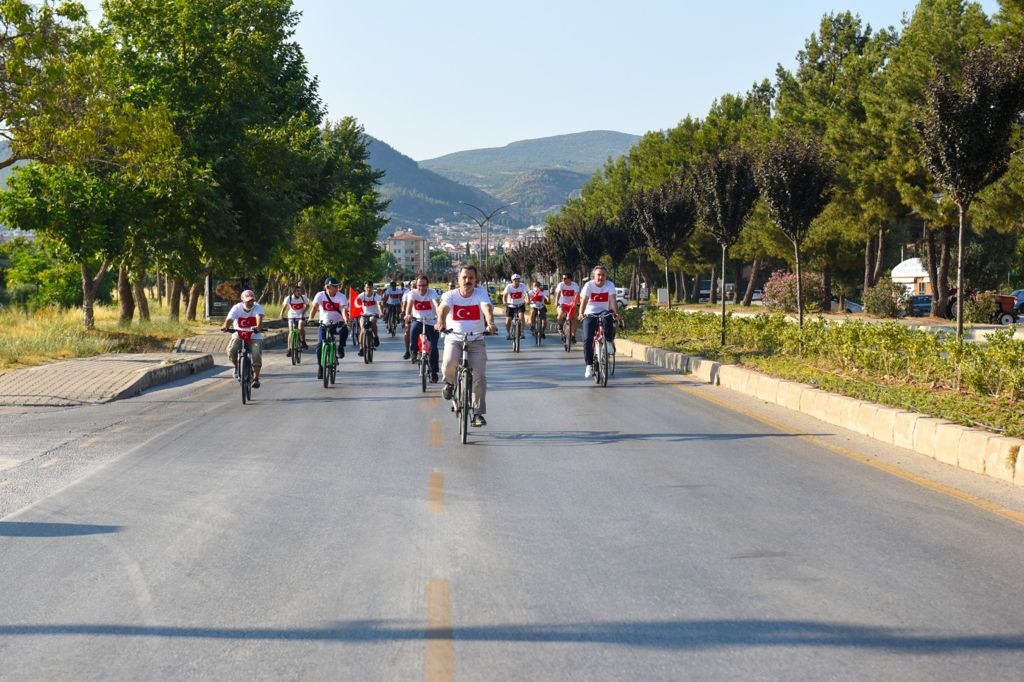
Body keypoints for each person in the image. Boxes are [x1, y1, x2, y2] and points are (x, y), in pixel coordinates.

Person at [436, 265, 497, 427]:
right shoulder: (450, 295)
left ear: (475, 280)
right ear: (458, 279)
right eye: (464, 277)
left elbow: (487, 308)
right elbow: (443, 309)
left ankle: (477, 414)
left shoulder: (481, 294)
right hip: (454, 339)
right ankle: (449, 383)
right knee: (449, 362)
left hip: (476, 340)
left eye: (471, 277)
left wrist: (490, 323)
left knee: (479, 377)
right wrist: (440, 322)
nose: (467, 280)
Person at [577, 265, 621, 378]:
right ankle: (589, 365)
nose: (601, 277)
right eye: (598, 275)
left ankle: (609, 342)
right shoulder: (588, 285)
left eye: (603, 275)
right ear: (594, 276)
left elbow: (612, 300)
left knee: (608, 317)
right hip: (589, 313)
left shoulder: (609, 285)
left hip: (603, 312)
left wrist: (617, 314)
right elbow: (584, 301)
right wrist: (581, 313)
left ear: (606, 276)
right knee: (587, 339)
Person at [222, 289, 265, 388]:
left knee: (256, 353)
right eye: (248, 300)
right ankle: (237, 366)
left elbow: (259, 318)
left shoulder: (257, 307)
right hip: (239, 334)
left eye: (252, 300)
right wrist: (226, 326)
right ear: (243, 300)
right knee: (232, 350)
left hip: (254, 336)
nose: (250, 302)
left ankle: (256, 379)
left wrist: (258, 327)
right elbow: (229, 319)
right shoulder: (236, 308)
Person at [308, 277, 350, 380]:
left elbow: (343, 310)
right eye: (335, 286)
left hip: (337, 324)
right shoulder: (320, 295)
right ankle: (321, 367)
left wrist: (346, 320)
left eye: (338, 286)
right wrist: (310, 318)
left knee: (344, 330)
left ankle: (340, 347)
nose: (337, 288)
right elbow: (314, 307)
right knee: (319, 345)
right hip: (324, 325)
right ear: (327, 287)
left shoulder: (341, 296)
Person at [406, 274, 441, 382]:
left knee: (433, 347)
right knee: (413, 330)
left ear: (428, 285)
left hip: (431, 322)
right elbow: (409, 305)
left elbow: (436, 305)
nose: (421, 288)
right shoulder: (412, 293)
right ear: (416, 285)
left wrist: (439, 318)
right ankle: (414, 352)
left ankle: (434, 372)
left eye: (424, 285)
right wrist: (407, 314)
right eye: (419, 285)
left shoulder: (432, 293)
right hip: (418, 320)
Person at [279, 285, 310, 356]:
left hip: (301, 315)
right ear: (293, 292)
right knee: (291, 331)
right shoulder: (288, 298)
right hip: (292, 315)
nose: (299, 292)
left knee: (301, 326)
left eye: (300, 291)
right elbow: (284, 307)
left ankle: (303, 342)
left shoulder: (303, 297)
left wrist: (303, 312)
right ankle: (289, 349)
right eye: (297, 291)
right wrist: (281, 315)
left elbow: (308, 306)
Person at [355, 280, 383, 356]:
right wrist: (357, 310)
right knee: (363, 330)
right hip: (364, 315)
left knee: (373, 320)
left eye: (370, 287)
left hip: (373, 314)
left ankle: (376, 337)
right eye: (367, 287)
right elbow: (356, 304)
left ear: (372, 288)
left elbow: (379, 304)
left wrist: (380, 312)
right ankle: (361, 348)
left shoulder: (376, 296)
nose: (369, 289)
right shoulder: (361, 296)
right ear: (364, 288)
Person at [554, 273, 579, 342]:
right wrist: (556, 302)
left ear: (569, 279)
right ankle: (560, 326)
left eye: (565, 278)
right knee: (560, 315)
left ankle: (573, 336)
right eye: (563, 278)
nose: (563, 280)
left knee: (573, 319)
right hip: (562, 303)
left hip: (571, 304)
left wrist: (577, 302)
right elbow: (558, 293)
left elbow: (576, 294)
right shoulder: (561, 284)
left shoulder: (574, 285)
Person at [503, 274, 528, 340]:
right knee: (508, 320)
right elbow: (505, 295)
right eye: (515, 280)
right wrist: (504, 301)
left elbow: (526, 293)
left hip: (520, 305)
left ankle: (522, 333)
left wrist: (528, 300)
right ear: (512, 281)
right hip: (510, 305)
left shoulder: (522, 285)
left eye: (518, 280)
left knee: (521, 317)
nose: (516, 281)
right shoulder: (509, 286)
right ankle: (507, 333)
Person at [402, 284, 415, 360]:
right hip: (410, 315)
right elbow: (404, 304)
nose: (414, 288)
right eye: (413, 286)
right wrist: (403, 311)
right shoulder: (407, 294)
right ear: (410, 287)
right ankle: (407, 351)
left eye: (415, 286)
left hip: (421, 316)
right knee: (407, 331)